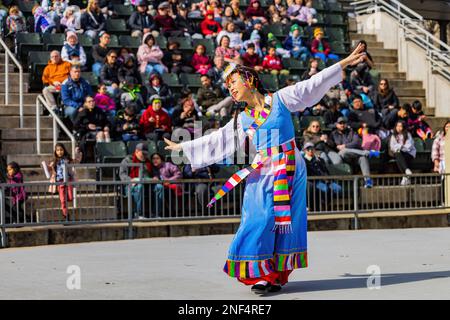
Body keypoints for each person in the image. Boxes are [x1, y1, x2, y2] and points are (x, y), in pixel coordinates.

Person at [164, 43, 367, 293]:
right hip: (263, 170)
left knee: (286, 222)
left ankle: (274, 275)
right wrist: (185, 147)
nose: (231, 89)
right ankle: (258, 273)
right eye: (228, 86)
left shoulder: (281, 99)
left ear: (249, 80)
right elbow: (219, 139)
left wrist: (344, 62)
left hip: (291, 167)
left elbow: (312, 85)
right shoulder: (242, 118)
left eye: (233, 83)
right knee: (259, 217)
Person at [327, 116, 379, 188]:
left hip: (353, 156)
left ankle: (368, 181)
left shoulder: (351, 132)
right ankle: (367, 152)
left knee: (363, 158)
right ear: (336, 125)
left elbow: (356, 142)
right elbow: (332, 145)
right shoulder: (333, 134)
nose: (342, 125)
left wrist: (345, 145)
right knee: (344, 151)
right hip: (341, 156)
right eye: (340, 123)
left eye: (344, 123)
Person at [46, 143, 81, 217]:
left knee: (70, 197)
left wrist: (77, 153)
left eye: (61, 150)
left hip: (68, 180)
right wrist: (45, 167)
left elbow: (76, 161)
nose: (59, 152)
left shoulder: (67, 159)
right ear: (55, 152)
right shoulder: (54, 161)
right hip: (60, 181)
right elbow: (49, 169)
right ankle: (65, 214)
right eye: (57, 150)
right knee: (62, 200)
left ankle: (66, 202)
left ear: (64, 150)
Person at [119, 143, 153, 218]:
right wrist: (131, 180)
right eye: (143, 153)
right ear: (136, 151)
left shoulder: (148, 162)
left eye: (146, 154)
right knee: (139, 187)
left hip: (147, 185)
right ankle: (138, 214)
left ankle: (156, 213)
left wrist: (155, 178)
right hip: (131, 185)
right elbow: (122, 174)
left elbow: (153, 174)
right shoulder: (128, 160)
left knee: (159, 187)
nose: (145, 155)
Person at [150, 152, 183, 218]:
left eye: (157, 158)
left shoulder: (168, 165)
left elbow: (179, 174)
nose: (155, 160)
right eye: (153, 159)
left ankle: (171, 213)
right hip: (158, 188)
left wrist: (169, 181)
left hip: (170, 186)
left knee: (168, 191)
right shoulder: (151, 168)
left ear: (161, 159)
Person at [389, 120, 416, 185]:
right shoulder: (393, 136)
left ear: (403, 127)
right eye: (397, 126)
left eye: (400, 126)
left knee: (399, 157)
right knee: (398, 154)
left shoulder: (407, 134)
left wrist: (399, 146)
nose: (398, 128)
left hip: (409, 153)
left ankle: (405, 175)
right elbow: (392, 147)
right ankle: (407, 172)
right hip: (399, 153)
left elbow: (409, 146)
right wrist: (400, 147)